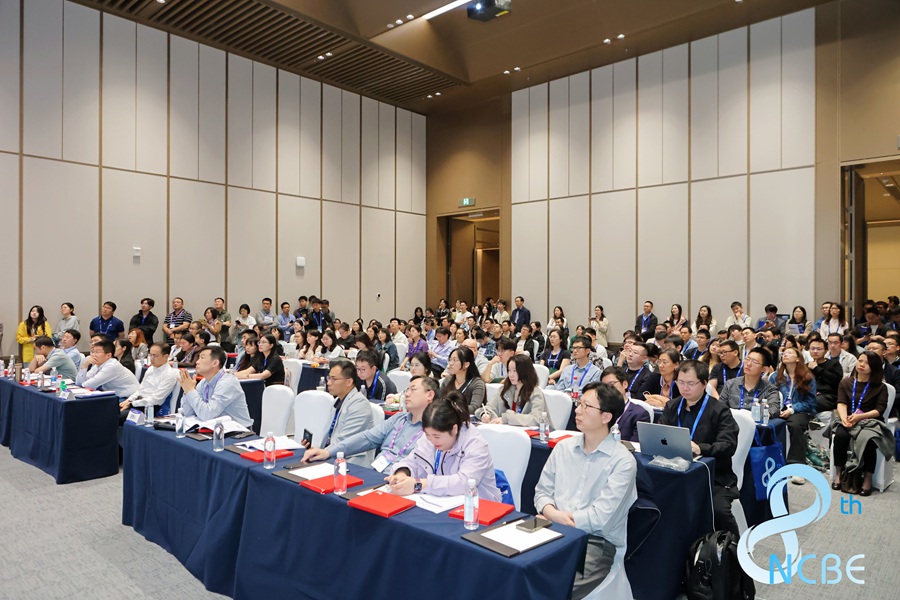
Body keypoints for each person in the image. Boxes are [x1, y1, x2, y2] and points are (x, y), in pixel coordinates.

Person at [534, 381, 637, 599]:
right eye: (579, 404)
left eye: (586, 406)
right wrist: (551, 513)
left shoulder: (623, 462)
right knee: (513, 567)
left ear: (606, 417)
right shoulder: (563, 448)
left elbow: (600, 519)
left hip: (594, 541)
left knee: (556, 587)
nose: (577, 411)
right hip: (551, 528)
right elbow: (541, 492)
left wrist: (555, 517)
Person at [659, 360, 739, 534]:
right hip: (675, 470)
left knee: (718, 510)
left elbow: (728, 445)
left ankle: (731, 546)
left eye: (690, 383)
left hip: (712, 475)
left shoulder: (719, 410)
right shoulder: (672, 406)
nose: (684, 388)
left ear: (704, 384)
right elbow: (660, 434)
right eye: (680, 382)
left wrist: (700, 449)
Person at [302, 375, 439, 470]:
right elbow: (367, 438)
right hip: (376, 473)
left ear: (430, 395)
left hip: (402, 482)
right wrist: (328, 452)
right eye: (407, 390)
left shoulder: (436, 429)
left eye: (413, 390)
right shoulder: (399, 419)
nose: (407, 394)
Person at [387, 393, 501, 501]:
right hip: (440, 500)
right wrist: (402, 474)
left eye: (437, 436)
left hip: (478, 505)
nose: (431, 440)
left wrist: (418, 484)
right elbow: (413, 461)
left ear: (454, 429)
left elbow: (463, 483)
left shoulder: (475, 444)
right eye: (427, 434)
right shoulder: (430, 436)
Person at [829, 351, 892, 496]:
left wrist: (859, 417)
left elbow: (879, 410)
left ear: (874, 367)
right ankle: (839, 474)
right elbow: (841, 403)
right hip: (849, 419)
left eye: (867, 363)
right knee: (840, 436)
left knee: (868, 440)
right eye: (860, 360)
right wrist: (844, 419)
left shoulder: (880, 387)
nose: (861, 364)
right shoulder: (846, 382)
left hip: (871, 421)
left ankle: (867, 478)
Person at [306, 360, 376, 466]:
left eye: (333, 379)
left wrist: (323, 452)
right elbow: (330, 435)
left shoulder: (360, 405)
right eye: (329, 378)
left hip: (351, 461)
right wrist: (316, 449)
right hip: (333, 454)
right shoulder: (337, 400)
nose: (328, 383)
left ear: (349, 382)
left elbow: (345, 441)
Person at [769, 346, 817, 483]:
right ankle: (773, 462)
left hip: (800, 410)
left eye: (789, 353)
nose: (785, 355)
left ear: (797, 359)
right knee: (769, 425)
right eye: (784, 353)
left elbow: (811, 402)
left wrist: (792, 409)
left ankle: (797, 467)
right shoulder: (775, 376)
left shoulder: (807, 377)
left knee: (795, 426)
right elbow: (770, 395)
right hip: (779, 408)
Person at [178, 346, 253, 428]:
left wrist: (190, 391)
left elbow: (207, 415)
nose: (197, 362)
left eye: (202, 358)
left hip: (238, 430)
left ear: (215, 363)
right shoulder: (204, 382)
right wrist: (187, 391)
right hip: (214, 427)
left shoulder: (227, 383)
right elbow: (188, 413)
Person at [477, 354, 549, 426]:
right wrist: (485, 414)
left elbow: (537, 418)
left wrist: (507, 418)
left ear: (525, 371)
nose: (511, 375)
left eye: (515, 371)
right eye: (509, 370)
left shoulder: (535, 392)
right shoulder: (504, 389)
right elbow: (490, 407)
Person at [119, 343, 180, 423]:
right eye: (150, 355)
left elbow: (156, 400)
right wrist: (129, 400)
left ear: (166, 356)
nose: (151, 358)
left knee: (116, 417)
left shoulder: (170, 374)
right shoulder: (150, 369)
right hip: (138, 402)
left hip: (150, 408)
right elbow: (140, 390)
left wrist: (132, 404)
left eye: (155, 356)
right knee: (110, 410)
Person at [719, 347, 780, 418]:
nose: (748, 364)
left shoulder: (770, 389)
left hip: (756, 423)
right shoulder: (730, 384)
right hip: (731, 422)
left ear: (764, 369)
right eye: (747, 359)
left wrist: (764, 414)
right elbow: (720, 407)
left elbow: (774, 409)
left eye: (755, 362)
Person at [75, 340, 140, 399]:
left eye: (97, 352)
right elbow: (79, 383)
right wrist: (85, 365)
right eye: (93, 352)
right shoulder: (98, 364)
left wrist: (83, 383)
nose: (93, 355)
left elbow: (88, 385)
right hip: (114, 396)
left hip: (128, 398)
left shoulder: (112, 366)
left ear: (108, 355)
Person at [600, 366, 650, 442]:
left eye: (612, 384)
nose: (608, 390)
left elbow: (636, 445)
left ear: (625, 384)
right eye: (604, 386)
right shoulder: (598, 410)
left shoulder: (640, 414)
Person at [440, 346, 487, 414]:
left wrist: (451, 408)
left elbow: (474, 408)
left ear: (466, 364)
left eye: (455, 360)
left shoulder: (477, 383)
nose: (451, 363)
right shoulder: (448, 380)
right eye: (450, 360)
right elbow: (439, 400)